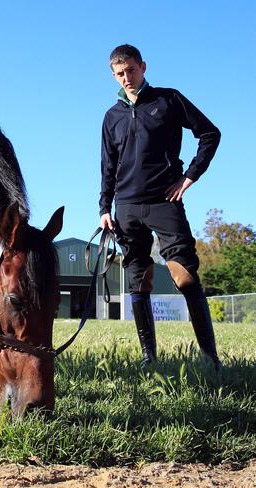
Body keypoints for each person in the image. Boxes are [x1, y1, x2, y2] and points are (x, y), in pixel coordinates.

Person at [99, 44, 221, 370]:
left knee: (184, 276)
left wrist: (189, 177)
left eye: (131, 70)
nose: (126, 77)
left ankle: (210, 358)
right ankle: (148, 358)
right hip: (125, 208)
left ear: (143, 66)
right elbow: (107, 166)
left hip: (164, 202)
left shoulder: (168, 99)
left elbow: (210, 134)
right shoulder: (112, 117)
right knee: (138, 281)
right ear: (114, 75)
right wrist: (104, 208)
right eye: (119, 73)